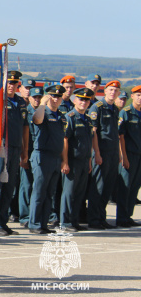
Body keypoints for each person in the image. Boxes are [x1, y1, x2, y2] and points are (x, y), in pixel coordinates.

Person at [0, 71, 28, 236]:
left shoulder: (20, 102)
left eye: (15, 83)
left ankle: (2, 221)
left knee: (9, 187)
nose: (11, 86)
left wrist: (24, 151)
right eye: (9, 83)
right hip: (1, 148)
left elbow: (25, 127)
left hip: (16, 148)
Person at [27, 85, 66, 234]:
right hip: (42, 156)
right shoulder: (43, 112)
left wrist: (63, 159)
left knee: (49, 193)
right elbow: (36, 119)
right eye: (52, 96)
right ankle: (34, 224)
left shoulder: (61, 116)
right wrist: (42, 103)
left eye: (58, 97)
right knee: (39, 191)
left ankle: (43, 223)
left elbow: (61, 139)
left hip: (55, 157)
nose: (55, 99)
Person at [88, 80, 121, 229]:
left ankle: (102, 218)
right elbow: (94, 132)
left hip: (113, 152)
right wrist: (97, 153)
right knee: (98, 188)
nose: (113, 92)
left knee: (107, 188)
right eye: (111, 90)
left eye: (116, 90)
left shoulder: (115, 108)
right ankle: (94, 219)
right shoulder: (97, 107)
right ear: (105, 90)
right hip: (101, 151)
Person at [60, 88, 94, 232]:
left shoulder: (87, 119)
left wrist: (90, 161)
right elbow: (65, 140)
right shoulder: (70, 117)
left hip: (84, 161)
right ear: (75, 100)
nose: (84, 102)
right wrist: (65, 161)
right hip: (72, 161)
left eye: (86, 100)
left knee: (79, 193)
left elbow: (90, 141)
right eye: (81, 99)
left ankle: (74, 221)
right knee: (69, 193)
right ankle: (65, 222)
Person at [116, 86, 141, 227]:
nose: (140, 98)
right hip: (129, 154)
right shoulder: (126, 113)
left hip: (139, 155)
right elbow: (121, 136)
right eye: (138, 95)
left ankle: (128, 215)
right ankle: (121, 217)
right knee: (125, 186)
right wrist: (123, 157)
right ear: (132, 96)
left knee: (135, 187)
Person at [19, 86, 42, 227]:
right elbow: (23, 133)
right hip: (28, 150)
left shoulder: (42, 113)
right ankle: (25, 216)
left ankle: (34, 215)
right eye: (35, 97)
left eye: (39, 97)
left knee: (37, 185)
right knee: (26, 184)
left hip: (39, 151)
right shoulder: (26, 112)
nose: (37, 100)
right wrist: (24, 154)